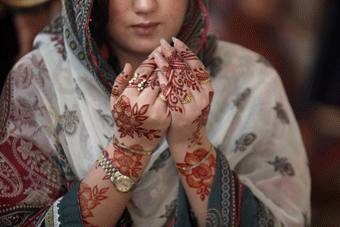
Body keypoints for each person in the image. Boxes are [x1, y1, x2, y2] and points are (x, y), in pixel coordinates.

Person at [0, 0, 310, 226]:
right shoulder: (41, 80)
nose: (145, 5)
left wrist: (191, 144)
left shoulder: (249, 80)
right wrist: (130, 147)